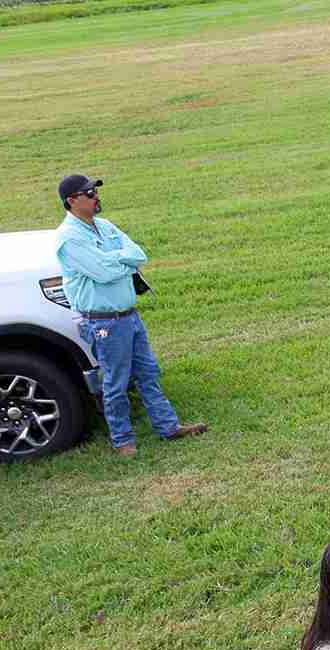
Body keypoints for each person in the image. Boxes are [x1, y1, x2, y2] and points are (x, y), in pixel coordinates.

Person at [53, 174, 207, 458]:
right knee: (115, 381)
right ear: (72, 201)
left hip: (129, 316)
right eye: (88, 193)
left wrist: (116, 261)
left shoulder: (105, 226)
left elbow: (139, 254)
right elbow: (104, 273)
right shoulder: (69, 238)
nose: (95, 196)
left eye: (94, 191)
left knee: (149, 373)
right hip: (103, 322)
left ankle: (168, 426)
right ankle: (122, 440)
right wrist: (120, 261)